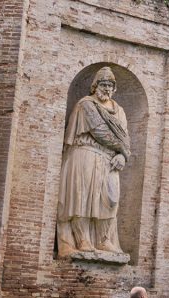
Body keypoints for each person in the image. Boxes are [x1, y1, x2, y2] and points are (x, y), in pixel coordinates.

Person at [56, 67, 130, 259]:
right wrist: (123, 149)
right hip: (84, 154)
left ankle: (104, 240)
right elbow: (99, 131)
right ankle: (82, 240)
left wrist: (123, 156)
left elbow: (125, 138)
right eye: (104, 84)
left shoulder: (119, 110)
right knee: (82, 198)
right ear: (95, 86)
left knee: (110, 199)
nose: (107, 88)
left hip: (109, 160)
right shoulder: (86, 104)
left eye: (110, 85)